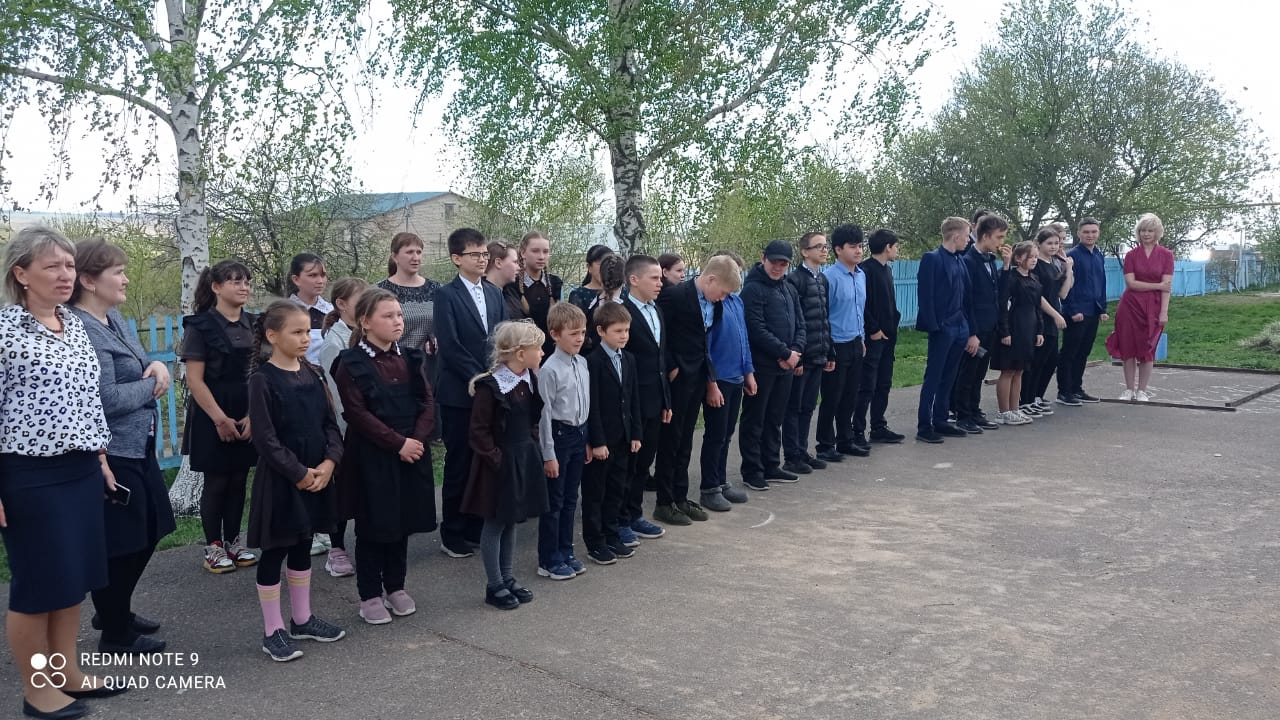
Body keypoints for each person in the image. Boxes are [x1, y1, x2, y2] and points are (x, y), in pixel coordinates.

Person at [1, 227, 121, 720]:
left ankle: (65, 672)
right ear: (21, 274)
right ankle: (37, 691)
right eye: (52, 266)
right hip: (29, 476)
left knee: (74, 579)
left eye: (69, 265)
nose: (65, 274)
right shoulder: (5, 332)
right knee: (38, 587)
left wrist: (101, 459)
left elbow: (87, 401)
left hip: (80, 470)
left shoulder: (73, 325)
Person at [69, 239, 177, 656]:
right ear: (88, 280)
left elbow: (142, 362)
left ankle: (114, 609)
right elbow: (107, 399)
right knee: (126, 541)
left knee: (152, 528)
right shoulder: (81, 328)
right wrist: (154, 383)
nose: (126, 278)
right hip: (111, 451)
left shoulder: (114, 317)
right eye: (118, 272)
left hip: (139, 443)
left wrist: (157, 366)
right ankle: (114, 630)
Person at [245, 301, 347, 661]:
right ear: (272, 336)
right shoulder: (262, 380)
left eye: (308, 331)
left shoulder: (313, 373)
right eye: (297, 332)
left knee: (303, 545)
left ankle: (302, 619)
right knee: (276, 551)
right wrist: (299, 473)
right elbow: (265, 438)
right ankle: (272, 629)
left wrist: (330, 463)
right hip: (283, 481)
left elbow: (330, 424)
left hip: (318, 475)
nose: (306, 338)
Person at [333, 288, 437, 625]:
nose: (397, 321)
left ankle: (395, 586)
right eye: (388, 316)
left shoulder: (411, 358)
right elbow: (357, 414)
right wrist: (397, 443)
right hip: (372, 455)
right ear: (365, 322)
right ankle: (369, 595)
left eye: (399, 315)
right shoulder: (350, 363)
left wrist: (416, 440)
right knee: (374, 525)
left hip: (411, 451)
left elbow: (427, 402)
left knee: (401, 522)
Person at [462, 321, 549, 608]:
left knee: (513, 519)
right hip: (499, 464)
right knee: (495, 523)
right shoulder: (491, 387)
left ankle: (508, 577)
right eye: (538, 348)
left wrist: (532, 445)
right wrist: (497, 459)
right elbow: (478, 431)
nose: (542, 353)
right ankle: (494, 584)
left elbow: (531, 418)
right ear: (521, 354)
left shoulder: (528, 379)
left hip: (523, 457)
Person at [181, 259, 260, 572]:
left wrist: (254, 415)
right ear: (216, 287)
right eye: (235, 281)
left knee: (239, 479)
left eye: (247, 282)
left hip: (247, 409)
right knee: (217, 480)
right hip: (211, 412)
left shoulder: (255, 324)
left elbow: (261, 373)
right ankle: (213, 546)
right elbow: (194, 380)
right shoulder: (200, 326)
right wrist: (219, 419)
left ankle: (234, 542)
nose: (244, 287)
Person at [435, 228, 507, 559]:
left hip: (492, 389)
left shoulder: (494, 293)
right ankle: (452, 531)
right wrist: (480, 377)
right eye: (474, 254)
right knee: (460, 462)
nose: (481, 259)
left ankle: (476, 525)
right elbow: (450, 346)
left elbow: (502, 338)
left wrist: (499, 374)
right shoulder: (446, 295)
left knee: (485, 460)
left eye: (484, 254)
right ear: (456, 258)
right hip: (460, 393)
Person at [653, 254, 738, 525]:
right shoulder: (675, 296)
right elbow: (659, 334)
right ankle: (664, 502)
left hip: (698, 376)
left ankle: (680, 497)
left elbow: (704, 341)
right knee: (671, 440)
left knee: (686, 440)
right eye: (722, 291)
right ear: (711, 279)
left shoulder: (716, 304)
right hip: (678, 378)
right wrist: (672, 366)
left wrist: (709, 378)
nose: (723, 298)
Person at [739, 241, 806, 491]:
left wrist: (795, 352)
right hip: (763, 366)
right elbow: (755, 328)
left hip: (786, 366)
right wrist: (783, 352)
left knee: (775, 417)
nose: (778, 267)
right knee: (755, 419)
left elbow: (800, 323)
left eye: (783, 263)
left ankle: (771, 464)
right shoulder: (753, 289)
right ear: (763, 258)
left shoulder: (788, 288)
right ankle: (752, 470)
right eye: (774, 262)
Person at [581, 302, 642, 563]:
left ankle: (612, 534)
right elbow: (592, 405)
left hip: (623, 438)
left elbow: (633, 399)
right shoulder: (592, 362)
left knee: (617, 489)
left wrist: (636, 433)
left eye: (626, 330)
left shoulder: (628, 359)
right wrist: (597, 441)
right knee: (596, 492)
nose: (624, 336)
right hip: (603, 441)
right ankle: (595, 541)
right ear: (601, 331)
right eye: (618, 331)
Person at [315, 277, 368, 578]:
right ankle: (336, 549)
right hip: (347, 427)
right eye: (360, 300)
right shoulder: (333, 342)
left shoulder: (367, 333)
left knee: (364, 488)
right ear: (342, 304)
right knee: (342, 489)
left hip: (370, 425)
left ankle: (367, 542)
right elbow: (338, 395)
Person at [536, 303, 592, 580]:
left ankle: (566, 550)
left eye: (582, 332)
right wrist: (549, 455)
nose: (580, 338)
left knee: (571, 498)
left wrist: (586, 440)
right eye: (573, 334)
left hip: (578, 434)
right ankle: (549, 559)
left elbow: (584, 404)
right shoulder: (549, 370)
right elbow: (544, 414)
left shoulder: (582, 363)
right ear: (555, 334)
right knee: (554, 501)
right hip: (558, 437)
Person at [618, 255, 670, 541]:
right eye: (655, 278)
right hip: (632, 402)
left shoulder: (656, 310)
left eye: (661, 278)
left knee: (643, 463)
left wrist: (666, 401)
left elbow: (661, 360)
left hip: (655, 400)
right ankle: (619, 520)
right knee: (627, 464)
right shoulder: (621, 312)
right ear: (634, 279)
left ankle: (634, 514)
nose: (660, 283)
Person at [698, 254, 756, 511]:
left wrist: (748, 372)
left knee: (727, 433)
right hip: (719, 379)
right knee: (716, 434)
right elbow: (706, 347)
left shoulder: (736, 302)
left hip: (736, 377)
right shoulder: (712, 305)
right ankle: (709, 488)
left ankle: (721, 482)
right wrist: (711, 384)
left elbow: (744, 339)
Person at [915, 217, 975, 444]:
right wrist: (935, 326)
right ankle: (924, 425)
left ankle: (941, 419)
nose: (969, 240)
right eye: (967, 235)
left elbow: (966, 295)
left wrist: (968, 327)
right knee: (934, 376)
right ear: (956, 236)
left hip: (960, 326)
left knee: (950, 376)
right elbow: (925, 295)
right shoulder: (932, 258)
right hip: (942, 327)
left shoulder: (960, 260)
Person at [1105, 213, 1174, 402]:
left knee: (1147, 349)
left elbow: (1167, 288)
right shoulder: (1131, 255)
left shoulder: (1166, 255)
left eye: (1150, 230)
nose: (1146, 234)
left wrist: (1164, 312)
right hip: (1130, 306)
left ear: (1157, 232)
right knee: (1127, 347)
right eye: (1143, 230)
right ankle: (1129, 389)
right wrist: (1158, 285)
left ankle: (1142, 390)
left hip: (1154, 307)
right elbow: (1131, 284)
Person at [782, 233, 834, 476]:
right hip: (802, 355)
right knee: (794, 407)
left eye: (825, 246)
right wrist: (798, 356)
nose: (824, 250)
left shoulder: (822, 279)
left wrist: (830, 351)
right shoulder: (795, 280)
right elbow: (795, 321)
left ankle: (802, 451)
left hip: (819, 353)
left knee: (808, 406)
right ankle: (791, 456)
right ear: (805, 251)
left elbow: (824, 318)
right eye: (819, 246)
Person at [952, 216, 1010, 434]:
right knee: (967, 372)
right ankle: (963, 414)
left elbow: (999, 294)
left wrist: (1006, 266)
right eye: (999, 237)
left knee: (979, 373)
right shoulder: (968, 261)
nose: (1001, 242)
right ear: (985, 236)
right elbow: (966, 300)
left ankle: (974, 410)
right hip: (975, 328)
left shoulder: (990, 259)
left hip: (990, 326)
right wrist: (972, 333)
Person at [816, 225, 869, 461]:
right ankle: (825, 445)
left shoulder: (861, 275)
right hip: (836, 345)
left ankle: (846, 440)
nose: (858, 251)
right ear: (838, 249)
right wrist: (828, 349)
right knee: (832, 397)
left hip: (856, 342)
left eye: (860, 246)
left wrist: (862, 338)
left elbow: (860, 311)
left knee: (850, 396)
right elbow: (823, 315)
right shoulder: (829, 278)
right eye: (852, 247)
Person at [854, 229, 906, 444]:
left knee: (884, 383)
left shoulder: (887, 270)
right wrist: (873, 329)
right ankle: (857, 430)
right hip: (873, 337)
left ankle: (878, 426)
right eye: (896, 246)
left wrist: (894, 321)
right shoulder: (865, 270)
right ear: (887, 247)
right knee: (867, 385)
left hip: (888, 337)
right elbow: (862, 304)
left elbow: (889, 303)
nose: (897, 250)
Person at [989, 242, 1044, 425]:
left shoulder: (1034, 278)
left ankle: (1015, 408)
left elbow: (1037, 307)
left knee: (1019, 370)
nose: (1034, 260)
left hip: (1028, 329)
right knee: (1008, 370)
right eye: (1030, 257)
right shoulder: (1010, 277)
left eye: (1036, 257)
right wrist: (1004, 331)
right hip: (1013, 327)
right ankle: (1003, 411)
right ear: (1019, 258)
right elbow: (1003, 303)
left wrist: (1039, 330)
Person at [1019, 228, 1072, 417]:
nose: (1054, 247)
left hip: (1054, 314)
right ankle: (1026, 399)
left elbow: (1063, 293)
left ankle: (1037, 396)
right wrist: (1055, 315)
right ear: (1039, 244)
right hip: (1041, 317)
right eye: (1049, 243)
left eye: (1056, 243)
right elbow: (1038, 296)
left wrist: (1069, 269)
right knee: (1037, 360)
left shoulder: (1054, 265)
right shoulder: (1037, 266)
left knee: (1050, 360)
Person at [1057, 217, 1108, 405]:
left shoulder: (1098, 255)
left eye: (1093, 232)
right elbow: (1067, 285)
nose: (1090, 235)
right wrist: (1072, 310)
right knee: (1070, 352)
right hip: (1077, 312)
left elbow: (1101, 282)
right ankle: (1064, 391)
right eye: (1086, 232)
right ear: (1078, 233)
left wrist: (1102, 308)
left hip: (1093, 310)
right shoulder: (1072, 256)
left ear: (1098, 233)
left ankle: (1077, 388)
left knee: (1084, 352)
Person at [377, 232, 441, 380]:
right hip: (392, 367)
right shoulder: (379, 292)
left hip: (429, 370)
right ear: (395, 257)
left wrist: (438, 337)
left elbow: (446, 326)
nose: (415, 257)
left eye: (419, 252)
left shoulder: (438, 290)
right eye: (409, 252)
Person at [502, 231, 563, 359]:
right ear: (523, 253)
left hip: (552, 354)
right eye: (535, 251)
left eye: (545, 252)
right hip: (523, 354)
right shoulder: (512, 285)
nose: (541, 256)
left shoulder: (555, 283)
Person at [287, 252, 332, 366]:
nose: (320, 281)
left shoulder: (332, 312)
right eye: (313, 275)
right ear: (296, 279)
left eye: (323, 275)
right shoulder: (284, 313)